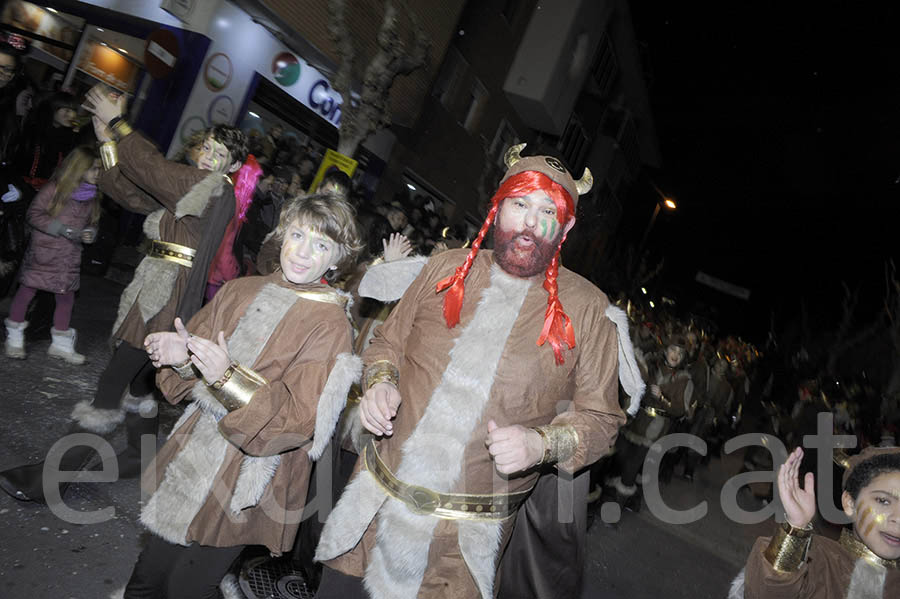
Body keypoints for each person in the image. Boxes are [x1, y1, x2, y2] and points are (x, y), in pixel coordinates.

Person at [313, 144, 643, 599]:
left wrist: (541, 444)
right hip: (371, 506)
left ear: (566, 225)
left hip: (465, 543)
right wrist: (379, 384)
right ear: (498, 204)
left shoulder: (588, 311)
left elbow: (602, 422)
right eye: (519, 204)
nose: (529, 223)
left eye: (547, 210)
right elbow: (388, 344)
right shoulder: (446, 267)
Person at [0, 85, 247, 503]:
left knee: (109, 391)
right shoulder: (191, 189)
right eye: (206, 148)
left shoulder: (213, 187)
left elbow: (152, 169)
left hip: (164, 301)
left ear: (233, 166)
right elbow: (130, 193)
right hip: (160, 293)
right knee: (141, 386)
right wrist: (106, 143)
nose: (208, 156)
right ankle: (139, 454)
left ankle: (49, 480)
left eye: (219, 154)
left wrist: (119, 124)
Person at [121, 193, 363, 598]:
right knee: (147, 578)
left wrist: (227, 378)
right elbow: (179, 383)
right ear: (282, 235)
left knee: (185, 588)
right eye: (298, 235)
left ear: (337, 259)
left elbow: (298, 422)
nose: (303, 253)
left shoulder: (331, 323)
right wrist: (180, 357)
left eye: (321, 245)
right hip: (193, 454)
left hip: (250, 476)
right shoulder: (240, 289)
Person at [730, 445, 900, 598]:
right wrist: (795, 530)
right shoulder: (816, 559)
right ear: (850, 503)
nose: (898, 518)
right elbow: (767, 592)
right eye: (883, 501)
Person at [4, 146, 102, 362]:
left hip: (69, 257)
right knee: (27, 292)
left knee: (66, 299)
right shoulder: (54, 189)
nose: (98, 173)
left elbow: (93, 223)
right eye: (94, 169)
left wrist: (90, 233)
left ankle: (60, 344)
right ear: (78, 169)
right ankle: (14, 337)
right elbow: (33, 214)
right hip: (45, 253)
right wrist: (61, 229)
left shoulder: (92, 197)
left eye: (100, 169)